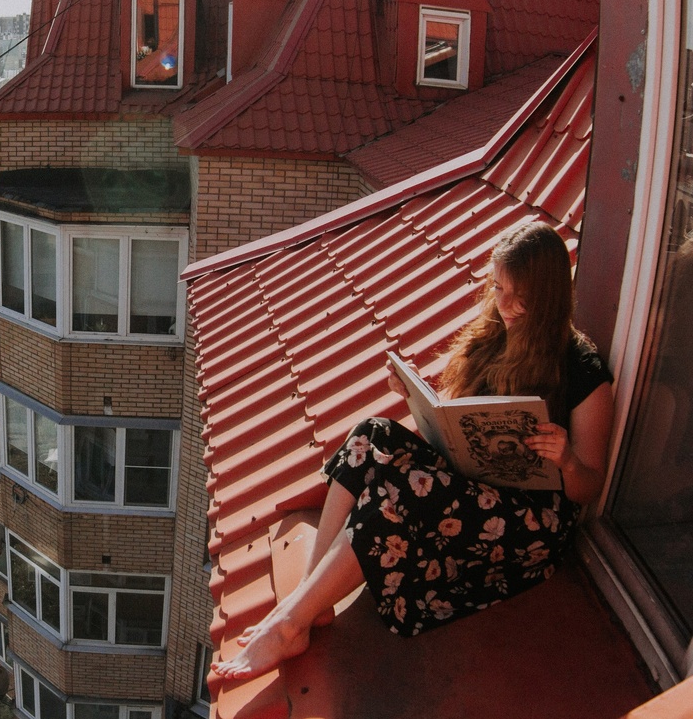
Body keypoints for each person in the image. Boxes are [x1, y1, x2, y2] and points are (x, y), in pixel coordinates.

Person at [212, 222, 614, 680]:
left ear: (547, 297)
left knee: (397, 497)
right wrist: (418, 403)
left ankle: (289, 625)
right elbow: (454, 434)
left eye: (518, 295)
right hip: (476, 483)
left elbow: (589, 485)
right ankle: (310, 598)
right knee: (371, 436)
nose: (503, 304)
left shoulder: (582, 369)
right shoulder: (493, 334)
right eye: (498, 287)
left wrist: (566, 460)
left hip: (531, 521)